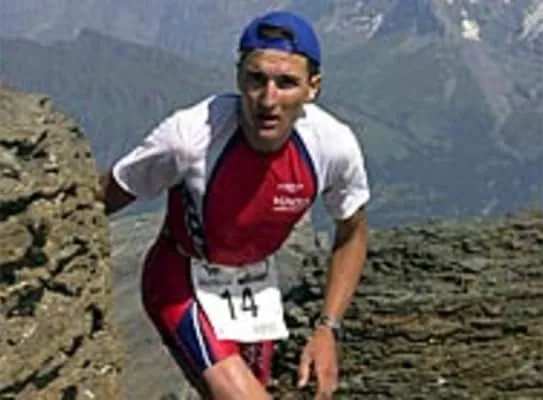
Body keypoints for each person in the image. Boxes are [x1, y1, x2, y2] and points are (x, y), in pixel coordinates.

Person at [98, 10, 370, 400]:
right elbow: (105, 195)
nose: (268, 100)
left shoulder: (333, 146)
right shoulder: (189, 137)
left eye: (286, 83)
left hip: (255, 289)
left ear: (313, 88)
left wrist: (328, 328)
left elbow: (352, 233)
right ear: (239, 77)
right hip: (181, 282)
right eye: (256, 79)